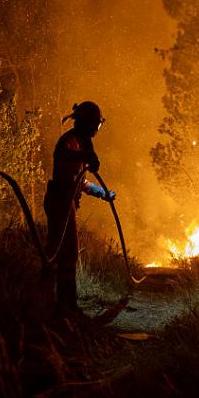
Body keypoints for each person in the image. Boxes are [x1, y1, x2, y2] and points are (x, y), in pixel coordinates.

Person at [43, 101, 116, 317]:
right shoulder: (69, 141)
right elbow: (63, 156)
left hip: (66, 202)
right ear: (85, 122)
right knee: (65, 253)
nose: (96, 130)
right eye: (95, 124)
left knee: (59, 253)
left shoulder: (81, 143)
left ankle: (53, 303)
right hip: (60, 202)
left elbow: (80, 182)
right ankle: (64, 307)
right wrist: (86, 157)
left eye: (98, 125)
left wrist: (102, 193)